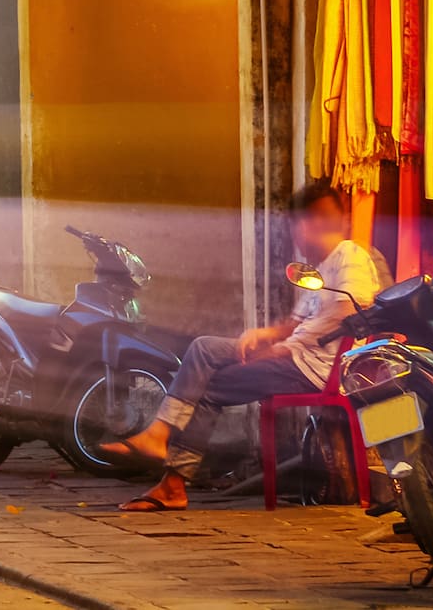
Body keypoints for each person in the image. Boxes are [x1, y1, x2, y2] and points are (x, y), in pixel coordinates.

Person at [107, 179, 382, 510]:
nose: (295, 235)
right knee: (204, 350)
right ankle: (162, 445)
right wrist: (264, 336)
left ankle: (170, 473)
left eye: (296, 225)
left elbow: (353, 308)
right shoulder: (318, 269)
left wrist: (286, 347)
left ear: (312, 223)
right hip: (295, 357)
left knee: (209, 384)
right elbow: (295, 323)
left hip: (313, 368)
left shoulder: (349, 255)